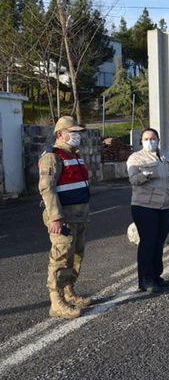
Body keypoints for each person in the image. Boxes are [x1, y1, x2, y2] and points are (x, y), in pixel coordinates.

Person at [39, 116, 92, 319]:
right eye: (74, 132)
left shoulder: (75, 155)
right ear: (61, 134)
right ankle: (56, 302)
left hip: (79, 216)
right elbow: (47, 189)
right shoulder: (52, 157)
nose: (77, 136)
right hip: (63, 218)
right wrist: (55, 218)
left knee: (76, 256)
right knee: (60, 257)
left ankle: (69, 292)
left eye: (78, 132)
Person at [126, 128, 169, 293]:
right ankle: (145, 280)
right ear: (141, 141)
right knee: (148, 242)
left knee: (159, 243)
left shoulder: (166, 155)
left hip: (166, 204)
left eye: (153, 138)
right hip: (144, 206)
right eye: (146, 139)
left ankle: (156, 276)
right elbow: (133, 180)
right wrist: (145, 176)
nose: (150, 141)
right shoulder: (136, 158)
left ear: (158, 139)